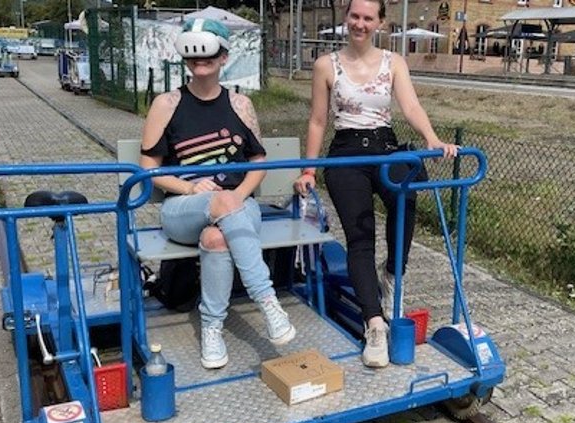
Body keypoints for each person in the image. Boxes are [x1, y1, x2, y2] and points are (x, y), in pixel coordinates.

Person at [293, 0, 457, 368]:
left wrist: (432, 139)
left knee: (408, 198)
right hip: (347, 152)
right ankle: (374, 324)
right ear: (346, 19)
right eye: (355, 16)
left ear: (380, 23)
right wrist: (309, 169)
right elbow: (318, 120)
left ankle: (392, 272)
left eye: (368, 18)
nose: (360, 24)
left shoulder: (393, 62)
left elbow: (411, 106)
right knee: (360, 235)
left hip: (385, 146)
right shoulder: (326, 65)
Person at [141, 18, 295, 369]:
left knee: (216, 239)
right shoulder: (166, 104)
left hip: (237, 207)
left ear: (224, 57)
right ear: (186, 58)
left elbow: (258, 159)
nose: (201, 61)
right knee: (219, 206)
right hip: (183, 208)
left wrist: (238, 194)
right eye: (194, 56)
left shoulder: (241, 105)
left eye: (209, 54)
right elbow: (149, 170)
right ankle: (267, 302)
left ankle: (212, 328)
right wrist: (192, 187)